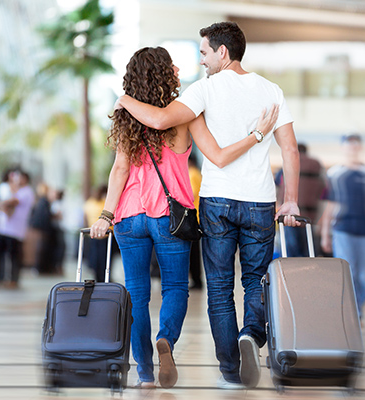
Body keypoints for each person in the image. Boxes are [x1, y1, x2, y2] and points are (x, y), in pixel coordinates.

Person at [115, 22, 300, 390]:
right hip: (259, 201)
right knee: (253, 281)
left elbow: (161, 120)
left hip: (213, 201)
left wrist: (123, 99)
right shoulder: (272, 91)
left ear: (222, 52)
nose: (200, 60)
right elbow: (290, 150)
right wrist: (290, 199)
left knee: (217, 290)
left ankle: (227, 371)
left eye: (203, 52)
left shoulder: (205, 91)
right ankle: (251, 335)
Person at [320, 134, 365, 317]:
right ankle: (351, 312)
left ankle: (358, 306)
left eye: (355, 145)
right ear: (343, 148)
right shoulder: (335, 174)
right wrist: (326, 233)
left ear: (360, 147)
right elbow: (331, 205)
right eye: (348, 145)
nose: (352, 148)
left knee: (363, 274)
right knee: (347, 270)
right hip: (343, 229)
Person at [276, 143, 325, 257]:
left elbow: (277, 186)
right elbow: (323, 190)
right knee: (308, 251)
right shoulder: (316, 165)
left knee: (290, 251)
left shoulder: (286, 165)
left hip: (288, 216)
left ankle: (291, 273)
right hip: (309, 216)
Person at [0, 169, 35, 289]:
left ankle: (13, 280)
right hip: (3, 228)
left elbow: (10, 202)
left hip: (15, 231)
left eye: (20, 177)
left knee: (14, 257)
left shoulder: (27, 191)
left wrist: (1, 203)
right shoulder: (14, 190)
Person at [83, 185, 109, 282]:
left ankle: (98, 278)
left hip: (92, 234)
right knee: (104, 259)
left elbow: (85, 218)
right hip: (105, 235)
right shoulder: (104, 203)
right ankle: (104, 278)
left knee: (95, 258)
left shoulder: (89, 203)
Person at [187, 154, 203, 290]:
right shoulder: (196, 173)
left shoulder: (192, 174)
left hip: (193, 217)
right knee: (194, 251)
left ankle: (197, 280)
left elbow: (190, 194)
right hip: (197, 216)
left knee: (193, 252)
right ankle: (196, 279)